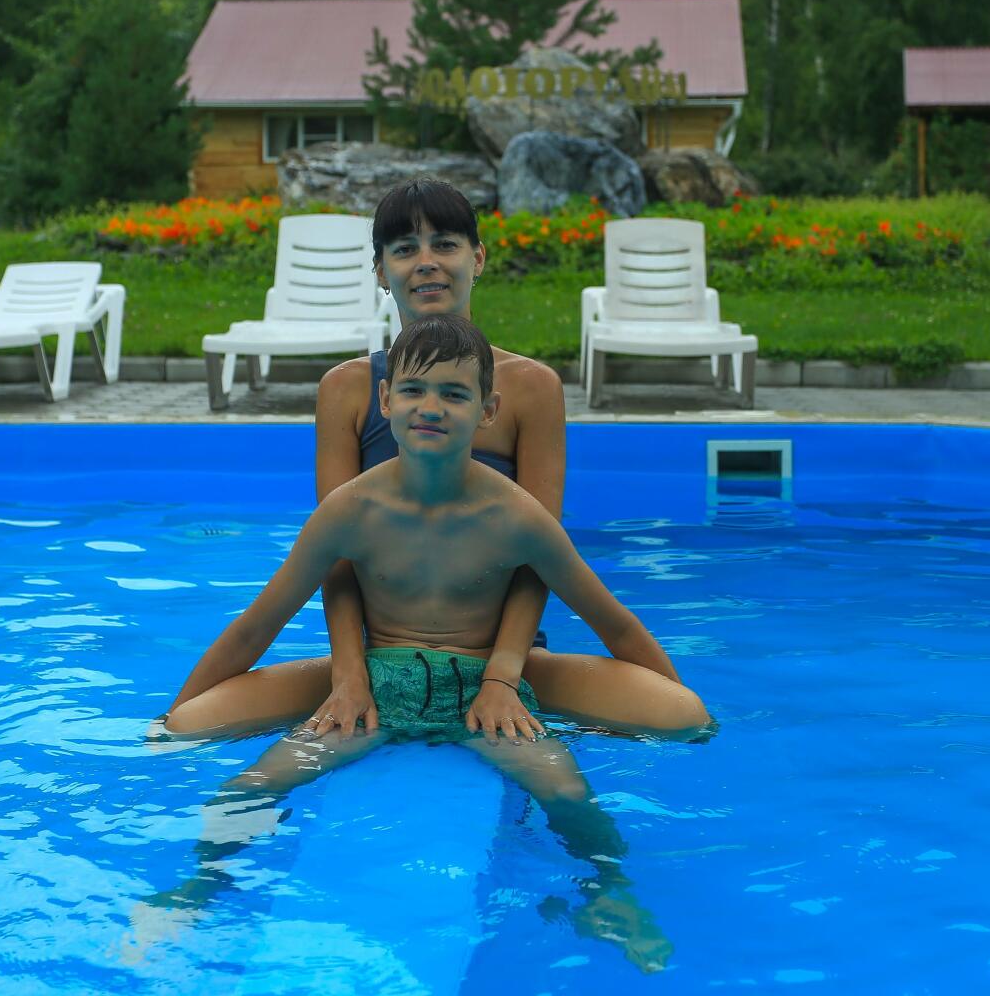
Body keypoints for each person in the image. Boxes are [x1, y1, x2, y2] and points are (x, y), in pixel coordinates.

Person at [136, 316, 690, 970]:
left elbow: (613, 622)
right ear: (385, 400)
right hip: (374, 693)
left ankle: (608, 894)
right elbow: (259, 624)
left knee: (572, 792)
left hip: (484, 697)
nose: (431, 407)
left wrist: (673, 690)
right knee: (248, 784)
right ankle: (199, 889)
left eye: (454, 394)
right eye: (414, 390)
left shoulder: (515, 515)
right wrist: (171, 715)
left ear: (488, 411)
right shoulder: (351, 509)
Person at [163, 178, 709, 740]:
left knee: (677, 713)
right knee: (191, 723)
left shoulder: (531, 387)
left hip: (509, 660)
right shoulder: (347, 389)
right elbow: (336, 561)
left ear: (478, 258)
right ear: (380, 271)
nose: (426, 262)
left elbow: (540, 557)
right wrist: (349, 677)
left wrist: (502, 676)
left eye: (445, 244)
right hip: (380, 660)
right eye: (405, 249)